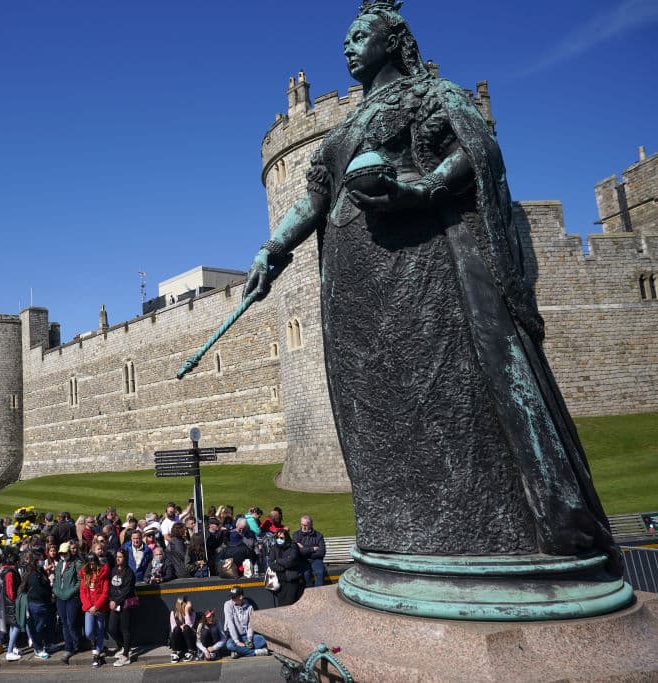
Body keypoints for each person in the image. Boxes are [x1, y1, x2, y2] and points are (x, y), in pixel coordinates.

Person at [240, 0, 620, 571]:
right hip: (354, 283)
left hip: (424, 270)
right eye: (346, 38)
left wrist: (423, 189)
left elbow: (478, 150)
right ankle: (401, 531)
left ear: (392, 42)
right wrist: (272, 249)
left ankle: (486, 530)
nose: (348, 46)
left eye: (360, 35)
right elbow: (314, 199)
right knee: (376, 405)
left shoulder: (432, 96)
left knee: (449, 390)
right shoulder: (341, 132)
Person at [52, 541, 82, 664]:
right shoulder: (59, 564)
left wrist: (70, 592)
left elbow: (80, 581)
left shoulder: (77, 563)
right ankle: (69, 647)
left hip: (72, 598)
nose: (63, 555)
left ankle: (76, 643)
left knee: (71, 623)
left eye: (65, 553)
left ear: (69, 552)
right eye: (61, 553)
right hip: (60, 598)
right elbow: (56, 579)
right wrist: (55, 590)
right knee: (64, 623)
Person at [79, 553, 110, 668]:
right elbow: (82, 592)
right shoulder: (85, 574)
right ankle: (95, 643)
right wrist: (89, 607)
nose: (92, 566)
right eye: (90, 564)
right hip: (89, 608)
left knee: (100, 629)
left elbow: (105, 593)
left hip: (100, 607)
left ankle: (97, 654)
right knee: (89, 632)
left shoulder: (103, 573)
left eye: (94, 563)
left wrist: (96, 606)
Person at [21, 553, 54, 660]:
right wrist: (49, 595)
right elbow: (39, 591)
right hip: (37, 604)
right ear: (35, 562)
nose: (42, 561)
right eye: (40, 559)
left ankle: (46, 645)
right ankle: (38, 649)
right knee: (37, 628)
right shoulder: (33, 575)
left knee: (43, 626)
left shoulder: (41, 572)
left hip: (43, 603)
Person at [107, 548, 137, 667]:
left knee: (125, 629)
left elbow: (127, 590)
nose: (118, 558)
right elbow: (111, 587)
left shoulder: (129, 572)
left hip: (124, 605)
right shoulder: (113, 570)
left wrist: (117, 601)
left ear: (125, 558)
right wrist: (111, 600)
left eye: (120, 557)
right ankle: (124, 646)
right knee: (112, 628)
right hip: (114, 604)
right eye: (117, 557)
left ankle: (126, 655)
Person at [222, 586, 270, 658]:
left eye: (234, 597)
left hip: (245, 636)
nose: (232, 599)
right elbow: (230, 624)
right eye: (231, 597)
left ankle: (239, 652)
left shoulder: (249, 607)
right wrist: (237, 641)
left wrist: (249, 639)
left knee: (263, 640)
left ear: (241, 597)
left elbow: (251, 625)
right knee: (230, 645)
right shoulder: (228, 605)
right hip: (233, 637)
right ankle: (255, 652)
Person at [267, 528, 305, 606]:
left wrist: (277, 561)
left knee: (290, 603)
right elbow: (271, 563)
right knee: (282, 603)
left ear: (286, 538)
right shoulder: (274, 547)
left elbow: (291, 561)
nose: (279, 539)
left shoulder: (293, 546)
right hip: (279, 580)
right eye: (277, 538)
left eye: (281, 538)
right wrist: (283, 567)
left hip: (292, 580)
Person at [293, 515, 327, 586]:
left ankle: (318, 592)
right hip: (303, 560)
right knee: (306, 574)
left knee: (320, 573)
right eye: (302, 524)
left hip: (316, 559)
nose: (303, 527)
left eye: (306, 525)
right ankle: (309, 593)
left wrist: (304, 550)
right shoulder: (296, 535)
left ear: (311, 525)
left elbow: (322, 552)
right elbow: (297, 552)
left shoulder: (318, 535)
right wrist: (313, 549)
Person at [168, 596, 196, 663]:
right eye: (185, 605)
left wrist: (186, 611)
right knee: (176, 629)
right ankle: (175, 653)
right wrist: (180, 626)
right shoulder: (173, 613)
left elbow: (190, 626)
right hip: (178, 642)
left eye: (187, 605)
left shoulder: (192, 613)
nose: (187, 606)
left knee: (186, 627)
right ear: (180, 606)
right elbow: (173, 629)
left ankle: (191, 651)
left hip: (189, 641)